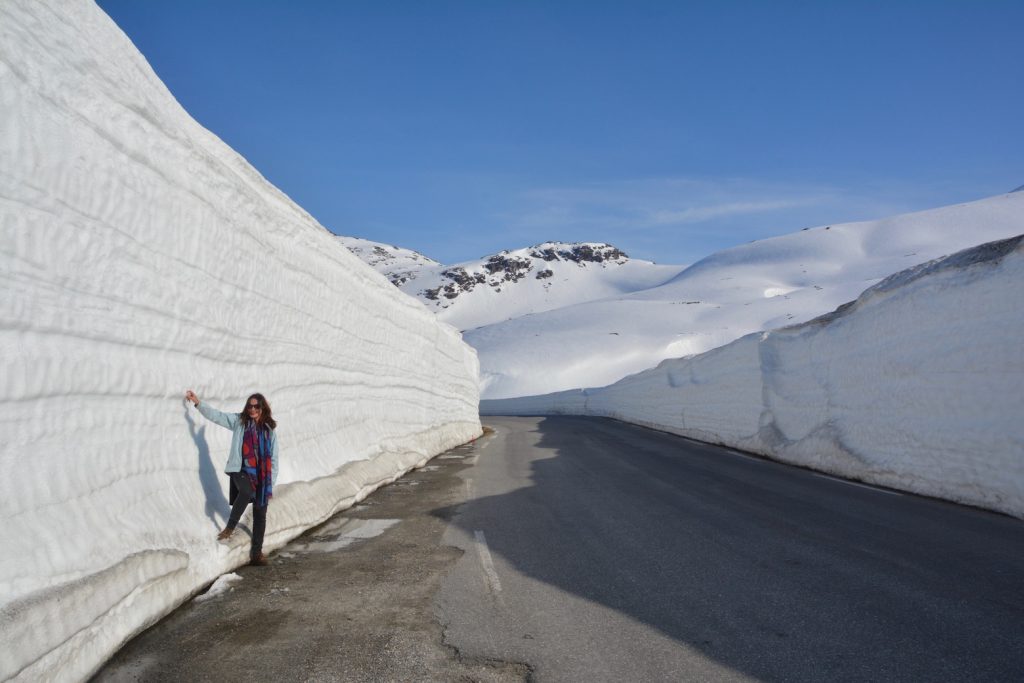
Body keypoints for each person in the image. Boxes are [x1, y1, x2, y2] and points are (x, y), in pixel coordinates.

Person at [185, 389, 279, 566]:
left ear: (262, 408)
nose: (252, 410)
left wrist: (270, 483)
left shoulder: (269, 431)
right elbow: (217, 416)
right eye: (250, 406)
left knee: (260, 513)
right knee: (246, 491)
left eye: (256, 406)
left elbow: (274, 459)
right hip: (240, 470)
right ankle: (230, 527)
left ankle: (257, 554)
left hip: (262, 476)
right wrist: (198, 403)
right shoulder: (239, 422)